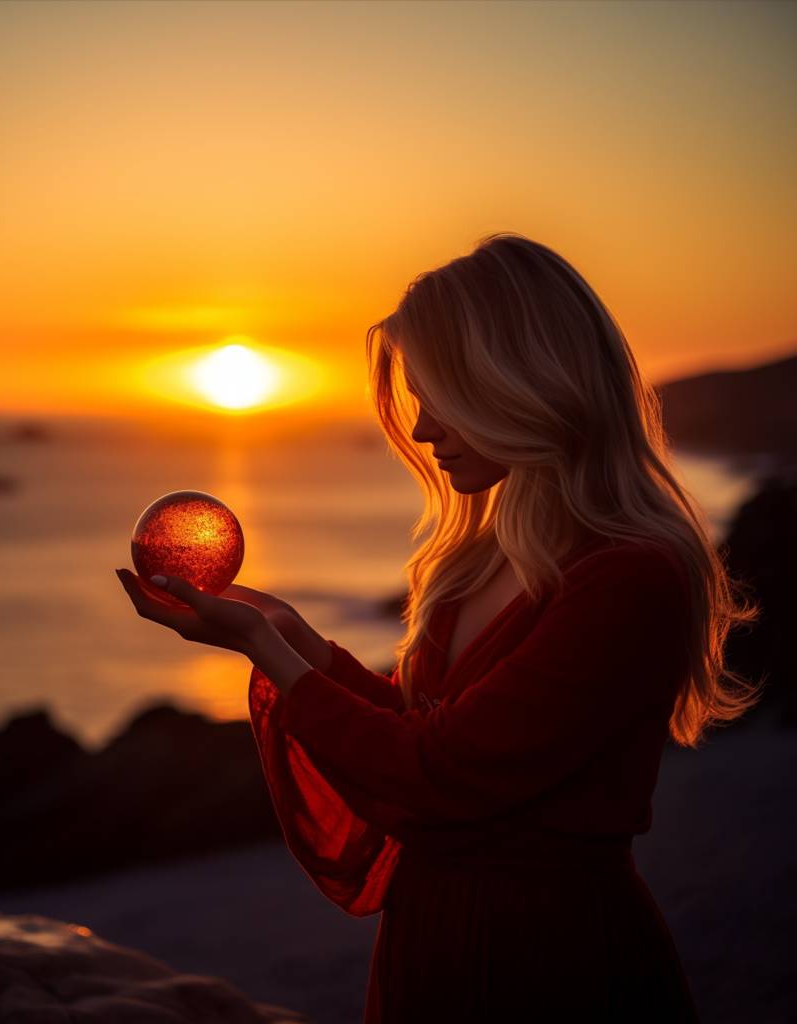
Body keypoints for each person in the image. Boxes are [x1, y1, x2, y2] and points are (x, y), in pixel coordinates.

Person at [115, 232, 763, 1022]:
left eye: (439, 398)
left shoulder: (630, 578)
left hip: (545, 965)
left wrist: (265, 649)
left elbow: (437, 772)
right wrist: (291, 633)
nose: (422, 432)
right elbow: (427, 725)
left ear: (520, 383)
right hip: (429, 945)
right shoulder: (479, 560)